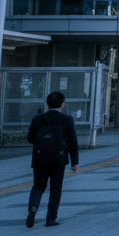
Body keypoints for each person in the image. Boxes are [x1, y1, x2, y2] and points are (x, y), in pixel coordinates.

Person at [26, 91, 79, 228]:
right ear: (62, 104)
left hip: (39, 159)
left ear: (47, 104)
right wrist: (74, 162)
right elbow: (72, 141)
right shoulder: (66, 119)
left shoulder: (38, 119)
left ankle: (33, 207)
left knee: (38, 186)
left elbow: (30, 138)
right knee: (55, 188)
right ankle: (51, 218)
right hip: (58, 160)